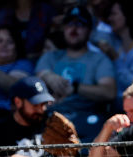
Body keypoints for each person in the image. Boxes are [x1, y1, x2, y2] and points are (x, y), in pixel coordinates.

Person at [35, 6, 115, 140]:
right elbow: (32, 82)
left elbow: (109, 92)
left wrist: (76, 88)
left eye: (80, 24)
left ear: (89, 30)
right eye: (69, 24)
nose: (74, 29)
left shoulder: (99, 59)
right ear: (63, 29)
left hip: (86, 116)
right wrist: (47, 76)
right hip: (51, 116)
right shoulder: (50, 57)